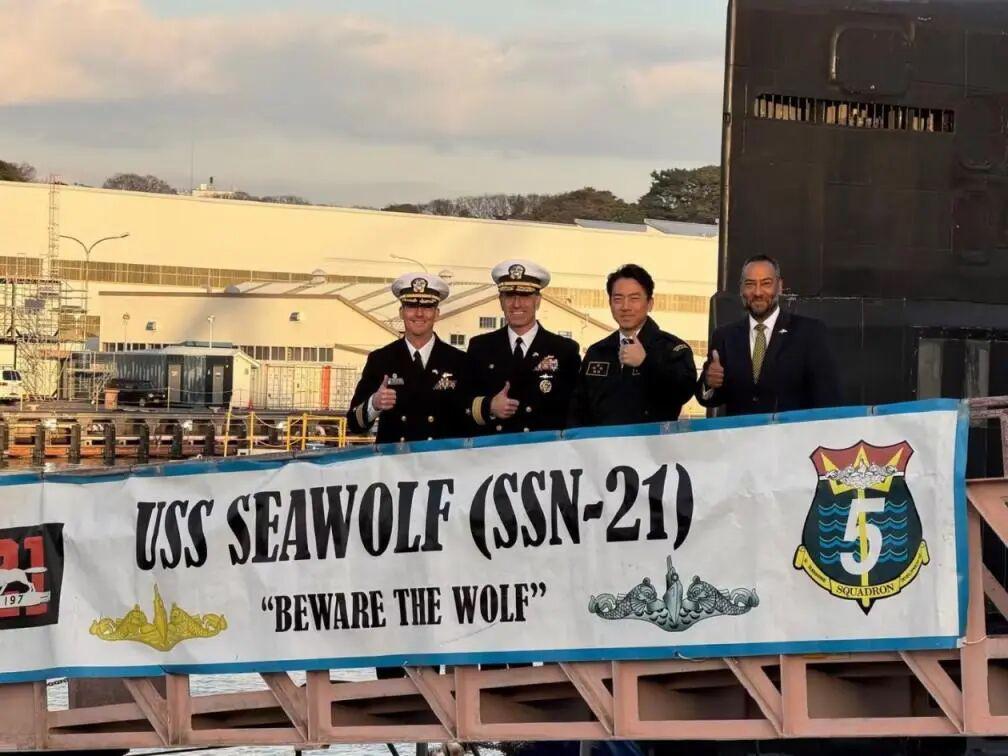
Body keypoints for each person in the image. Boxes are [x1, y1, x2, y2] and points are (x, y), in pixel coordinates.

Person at [696, 254, 841, 415]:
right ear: (741, 288)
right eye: (750, 284)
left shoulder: (810, 332)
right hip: (741, 431)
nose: (758, 292)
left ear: (779, 286)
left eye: (766, 283)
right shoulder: (724, 336)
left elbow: (827, 398)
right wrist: (709, 383)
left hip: (792, 431)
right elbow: (707, 399)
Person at [346, 272, 472, 445]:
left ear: (437, 313)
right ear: (401, 312)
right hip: (396, 459)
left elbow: (471, 419)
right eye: (411, 306)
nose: (419, 314)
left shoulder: (459, 361)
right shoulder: (381, 359)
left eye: (427, 307)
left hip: (441, 459)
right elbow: (354, 424)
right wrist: (374, 404)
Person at [568, 264, 696, 428]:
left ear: (650, 303)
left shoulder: (672, 349)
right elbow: (577, 409)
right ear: (610, 303)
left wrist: (646, 363)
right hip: (602, 443)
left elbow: (682, 392)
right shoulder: (598, 351)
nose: (625, 307)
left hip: (651, 442)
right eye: (618, 299)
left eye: (634, 299)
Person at [467, 259, 581, 435]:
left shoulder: (564, 350)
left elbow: (576, 409)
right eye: (509, 296)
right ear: (501, 301)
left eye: (525, 295)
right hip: (494, 448)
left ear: (538, 300)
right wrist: (488, 406)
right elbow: (461, 402)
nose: (516, 304)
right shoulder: (480, 347)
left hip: (543, 449)